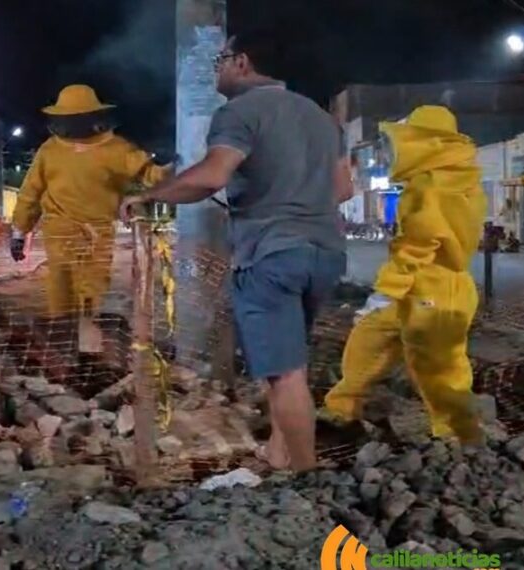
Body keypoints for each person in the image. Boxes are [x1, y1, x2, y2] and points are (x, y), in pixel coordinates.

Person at [119, 30, 351, 472]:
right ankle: (280, 453)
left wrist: (151, 195)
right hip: (325, 253)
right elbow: (342, 189)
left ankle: (306, 476)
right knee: (291, 359)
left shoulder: (239, 112)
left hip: (271, 255)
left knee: (285, 373)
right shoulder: (322, 119)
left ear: (242, 62)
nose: (217, 70)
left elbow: (211, 176)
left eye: (221, 60)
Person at [322, 106, 486, 445]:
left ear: (425, 142)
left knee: (438, 367)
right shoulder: (450, 179)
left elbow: (417, 245)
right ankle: (341, 409)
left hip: (436, 289)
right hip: (422, 286)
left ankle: (460, 438)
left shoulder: (436, 186)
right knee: (371, 337)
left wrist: (386, 291)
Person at [10, 84, 168, 355]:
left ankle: (82, 352)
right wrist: (18, 231)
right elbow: (30, 193)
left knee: (86, 292)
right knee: (68, 290)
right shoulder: (55, 150)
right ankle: (69, 351)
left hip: (89, 234)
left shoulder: (114, 149)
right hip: (67, 232)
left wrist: (18, 233)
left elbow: (149, 172)